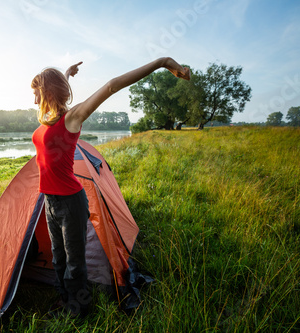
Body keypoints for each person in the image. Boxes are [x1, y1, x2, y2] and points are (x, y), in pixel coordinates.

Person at [31, 57, 190, 318]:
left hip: (70, 202)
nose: (34, 100)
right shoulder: (50, 118)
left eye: (36, 93)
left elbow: (112, 85)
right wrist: (67, 75)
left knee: (74, 261)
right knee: (58, 258)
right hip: (49, 200)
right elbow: (57, 98)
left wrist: (161, 63)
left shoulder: (72, 119)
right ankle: (64, 300)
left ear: (47, 92)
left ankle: (79, 310)